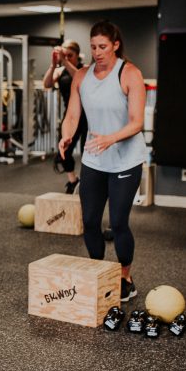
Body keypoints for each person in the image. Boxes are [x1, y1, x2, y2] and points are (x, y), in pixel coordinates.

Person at [59, 21, 146, 302]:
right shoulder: (82, 76)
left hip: (125, 161)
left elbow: (137, 122)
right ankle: (98, 271)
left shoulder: (129, 74)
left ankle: (125, 278)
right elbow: (73, 116)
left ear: (115, 45)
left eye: (103, 46)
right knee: (90, 221)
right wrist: (66, 136)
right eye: (93, 47)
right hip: (94, 159)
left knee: (118, 222)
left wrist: (111, 138)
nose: (97, 52)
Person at [43, 40, 86, 193]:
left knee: (87, 153)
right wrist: (53, 64)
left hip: (88, 116)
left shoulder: (85, 70)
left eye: (70, 55)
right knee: (64, 150)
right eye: (65, 55)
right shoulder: (60, 71)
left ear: (77, 55)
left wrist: (64, 61)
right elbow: (47, 84)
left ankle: (88, 183)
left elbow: (80, 79)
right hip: (71, 115)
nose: (67, 58)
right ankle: (73, 180)